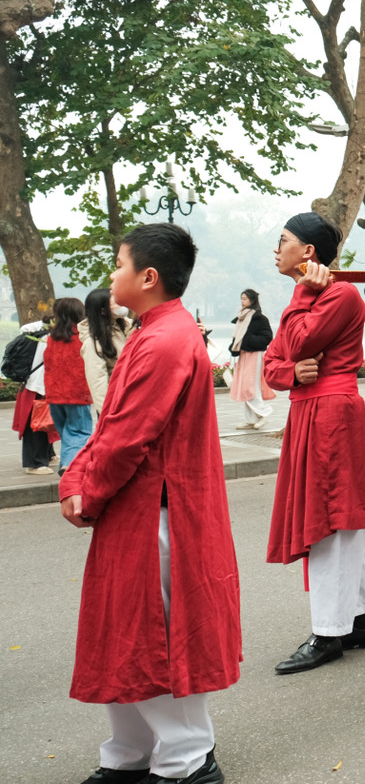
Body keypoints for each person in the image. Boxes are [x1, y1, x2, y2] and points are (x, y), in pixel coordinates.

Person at [61, 223, 238, 784]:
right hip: (139, 503)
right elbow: (114, 424)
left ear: (148, 276)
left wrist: (85, 489)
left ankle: (187, 759)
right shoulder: (155, 330)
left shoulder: (163, 339)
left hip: (156, 507)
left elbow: (127, 434)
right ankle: (130, 752)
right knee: (127, 631)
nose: (112, 274)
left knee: (157, 635)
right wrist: (79, 477)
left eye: (119, 263)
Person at [264, 212, 365, 675]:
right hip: (310, 409)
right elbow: (276, 362)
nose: (277, 249)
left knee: (333, 518)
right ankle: (358, 622)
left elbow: (299, 340)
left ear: (308, 252)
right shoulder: (314, 295)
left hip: (333, 410)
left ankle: (330, 632)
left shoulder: (339, 294)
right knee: (336, 516)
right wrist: (291, 373)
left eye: (284, 241)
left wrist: (303, 299)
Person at [44, 297, 94, 473]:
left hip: (54, 394)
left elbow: (48, 364)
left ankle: (67, 466)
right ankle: (70, 465)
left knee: (67, 432)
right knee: (79, 432)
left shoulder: (52, 337)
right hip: (77, 393)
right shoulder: (83, 336)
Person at [10, 318, 56, 475]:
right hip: (39, 386)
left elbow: (25, 328)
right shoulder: (48, 338)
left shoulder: (37, 333)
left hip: (33, 384)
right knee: (37, 424)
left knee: (41, 423)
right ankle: (34, 464)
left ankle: (46, 456)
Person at [78, 288, 132, 418]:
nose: (122, 304)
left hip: (131, 401)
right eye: (116, 302)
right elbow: (98, 383)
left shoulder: (125, 326)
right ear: (102, 310)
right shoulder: (93, 343)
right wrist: (109, 416)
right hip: (115, 408)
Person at [227, 288, 275, 430]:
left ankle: (264, 413)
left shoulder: (259, 318)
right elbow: (237, 338)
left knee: (251, 386)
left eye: (245, 299)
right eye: (241, 299)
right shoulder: (241, 317)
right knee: (244, 386)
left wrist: (248, 340)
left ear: (252, 300)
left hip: (255, 354)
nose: (242, 302)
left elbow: (267, 337)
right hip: (243, 354)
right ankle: (251, 419)